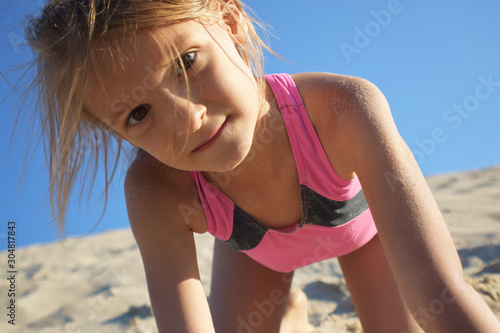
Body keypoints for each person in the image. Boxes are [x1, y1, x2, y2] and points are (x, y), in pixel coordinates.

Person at [23, 0, 500, 332]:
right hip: (257, 251)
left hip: (364, 231)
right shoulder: (156, 191)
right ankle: (289, 315)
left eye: (186, 62)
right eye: (138, 113)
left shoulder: (343, 108)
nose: (187, 120)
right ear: (117, 132)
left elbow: (441, 290)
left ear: (229, 23)